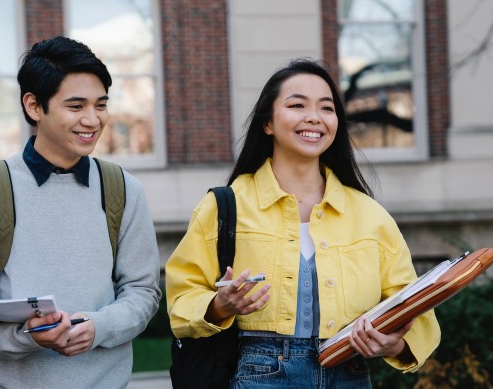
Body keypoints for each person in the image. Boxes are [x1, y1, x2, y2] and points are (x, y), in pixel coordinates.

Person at [165, 59, 440, 388]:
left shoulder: (370, 215)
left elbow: (417, 310)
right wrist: (219, 306)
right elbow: (181, 299)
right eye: (297, 105)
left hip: (349, 372)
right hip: (259, 375)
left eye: (327, 108)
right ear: (268, 123)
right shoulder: (225, 206)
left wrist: (393, 344)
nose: (314, 117)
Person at [0, 36, 161, 388]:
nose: (92, 120)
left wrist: (98, 327)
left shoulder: (124, 190)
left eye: (101, 105)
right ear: (34, 106)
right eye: (76, 106)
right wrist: (27, 335)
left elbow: (143, 292)